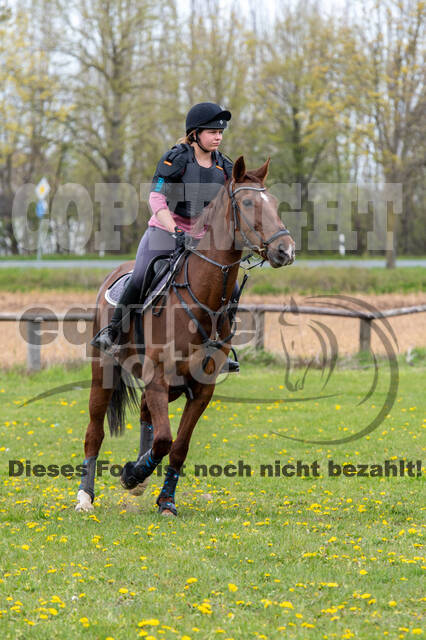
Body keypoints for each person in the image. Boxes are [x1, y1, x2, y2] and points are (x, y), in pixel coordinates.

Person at [91, 102, 240, 372]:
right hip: (164, 230)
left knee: (232, 286)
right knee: (141, 275)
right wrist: (174, 230)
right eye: (211, 131)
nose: (218, 136)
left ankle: (221, 345)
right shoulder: (176, 159)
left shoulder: (225, 167)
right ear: (195, 133)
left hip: (202, 239)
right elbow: (156, 197)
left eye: (221, 132)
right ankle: (113, 332)